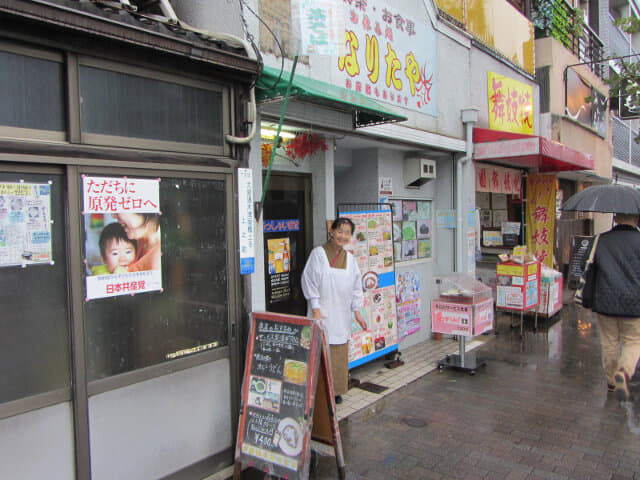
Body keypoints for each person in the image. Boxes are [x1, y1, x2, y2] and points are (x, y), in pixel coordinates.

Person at [301, 217, 368, 404]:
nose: (343, 236)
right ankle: (320, 392)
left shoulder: (351, 260)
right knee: (321, 353)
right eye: (340, 231)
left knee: (338, 354)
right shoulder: (318, 254)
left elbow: (356, 287)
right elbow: (309, 281)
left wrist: (358, 313)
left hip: (342, 317)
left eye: (347, 233)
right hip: (322, 314)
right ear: (332, 231)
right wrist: (315, 309)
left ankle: (336, 390)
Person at [583, 213, 640, 401]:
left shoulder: (601, 240)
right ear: (637, 219)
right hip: (634, 303)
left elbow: (590, 267)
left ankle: (611, 381)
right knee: (633, 341)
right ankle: (624, 371)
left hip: (605, 300)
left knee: (609, 342)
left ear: (615, 219)